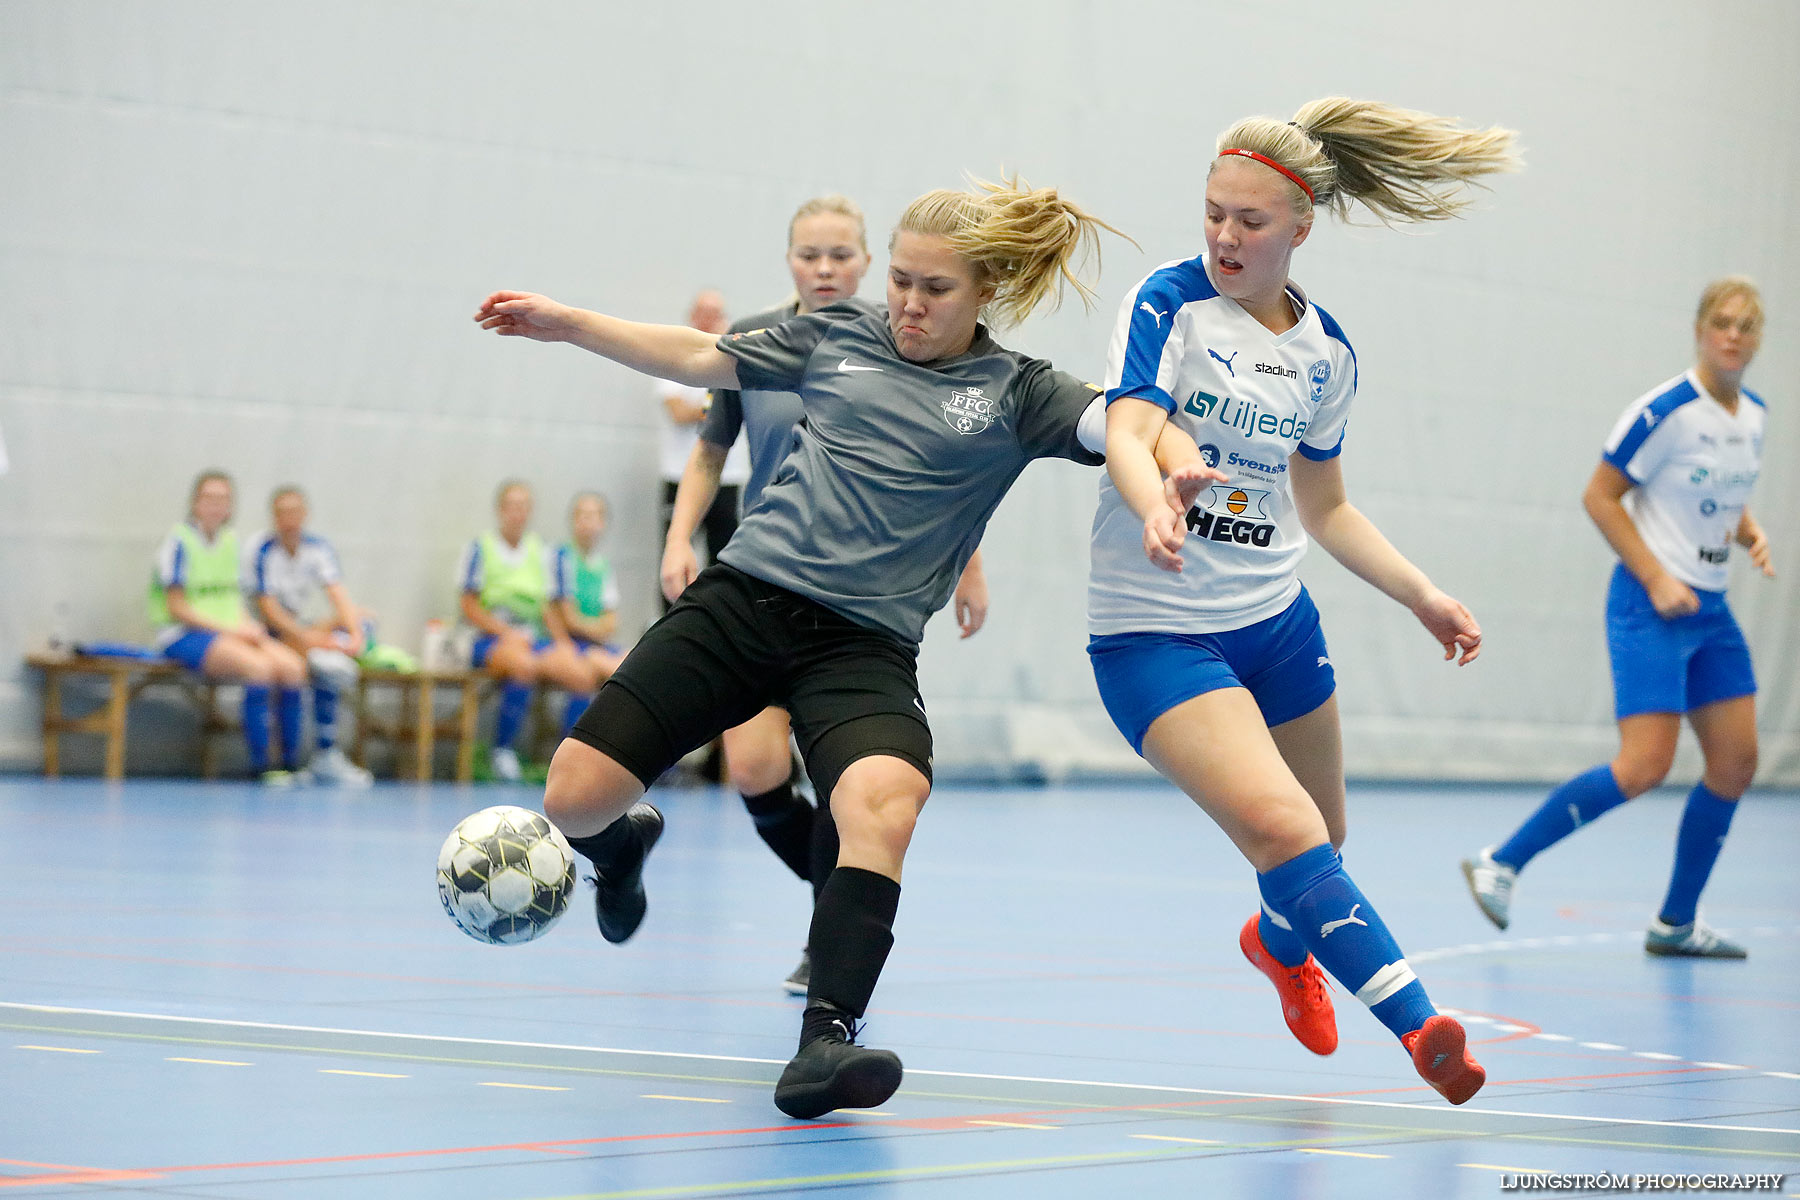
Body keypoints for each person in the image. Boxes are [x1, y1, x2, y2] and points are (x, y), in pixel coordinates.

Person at [476, 175, 1189, 1119]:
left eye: (935, 289)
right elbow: (698, 355)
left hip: (863, 647)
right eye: (900, 280)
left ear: (984, 295)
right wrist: (572, 324)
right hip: (743, 605)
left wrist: (1174, 470)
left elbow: (1129, 426)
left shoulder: (1016, 391)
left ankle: (825, 1041)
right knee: (572, 799)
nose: (909, 302)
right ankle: (623, 840)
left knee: (885, 802)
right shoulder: (836, 337)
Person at [1095, 97, 1519, 1106]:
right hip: (1157, 633)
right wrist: (1153, 499)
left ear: (1300, 226)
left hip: (1276, 625)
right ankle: (1424, 1034)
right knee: (1285, 834)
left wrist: (1422, 593)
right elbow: (1127, 425)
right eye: (1213, 213)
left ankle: (1276, 943)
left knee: (1320, 839)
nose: (1225, 237)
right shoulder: (1170, 302)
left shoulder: (1327, 353)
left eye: (1249, 221)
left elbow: (1325, 507)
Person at [661, 193, 991, 997]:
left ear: (866, 262)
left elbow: (944, 465)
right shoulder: (758, 343)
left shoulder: (899, 345)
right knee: (752, 767)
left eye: (841, 255)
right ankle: (831, 905)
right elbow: (712, 448)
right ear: (789, 262)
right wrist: (680, 537)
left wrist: (969, 565)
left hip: (858, 599)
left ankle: (831, 936)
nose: (826, 268)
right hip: (762, 579)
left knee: (842, 779)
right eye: (811, 255)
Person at [1461, 277, 1772, 959]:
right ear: (1699, 329)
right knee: (1643, 766)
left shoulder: (1753, 417)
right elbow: (1601, 497)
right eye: (1722, 321)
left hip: (1709, 608)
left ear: (1758, 339)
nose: (1733, 334)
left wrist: (1747, 531)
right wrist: (1656, 577)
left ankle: (1676, 923)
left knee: (1737, 761)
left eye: (1747, 325)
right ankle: (1501, 862)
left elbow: (1718, 492)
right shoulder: (1665, 411)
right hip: (1650, 602)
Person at [148, 470, 308, 784]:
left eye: (222, 499)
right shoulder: (179, 543)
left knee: (293, 667)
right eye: (208, 498)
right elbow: (176, 606)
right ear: (195, 503)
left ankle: (291, 763)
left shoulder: (230, 543)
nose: (215, 505)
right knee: (259, 668)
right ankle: (260, 765)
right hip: (183, 634)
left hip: (228, 631)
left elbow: (231, 598)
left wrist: (250, 627)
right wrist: (230, 630)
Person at [456, 480, 597, 782]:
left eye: (524, 507)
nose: (517, 513)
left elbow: (548, 606)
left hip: (531, 638)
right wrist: (505, 631)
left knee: (581, 675)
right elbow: (468, 605)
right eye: (512, 506)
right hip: (490, 638)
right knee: (522, 666)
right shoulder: (481, 548)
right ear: (500, 510)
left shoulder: (540, 551)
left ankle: (566, 758)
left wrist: (562, 643)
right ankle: (502, 750)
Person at [243, 485, 375, 786]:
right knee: (323, 663)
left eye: (295, 512)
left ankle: (326, 754)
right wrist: (310, 639)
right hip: (269, 632)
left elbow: (337, 594)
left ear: (305, 515)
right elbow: (269, 611)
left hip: (301, 627)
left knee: (363, 620)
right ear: (273, 517)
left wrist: (355, 633)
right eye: (282, 513)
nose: (289, 520)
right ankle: (301, 757)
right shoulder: (261, 550)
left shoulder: (318, 548)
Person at [654, 289, 746, 611]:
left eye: (715, 313)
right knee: (674, 559)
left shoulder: (736, 361)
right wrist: (722, 410)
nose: (709, 320)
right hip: (680, 476)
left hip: (727, 479)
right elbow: (677, 412)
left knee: (724, 559)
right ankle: (668, 628)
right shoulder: (674, 357)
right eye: (703, 313)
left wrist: (714, 409)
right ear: (692, 316)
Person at [552, 490, 627, 734]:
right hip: (569, 644)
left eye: (594, 516)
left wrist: (591, 627)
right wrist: (595, 628)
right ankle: (571, 745)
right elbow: (568, 619)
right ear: (573, 521)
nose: (588, 523)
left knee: (634, 665)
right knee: (587, 674)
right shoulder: (562, 557)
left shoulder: (603, 567)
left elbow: (611, 623)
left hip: (596, 645)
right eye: (582, 516)